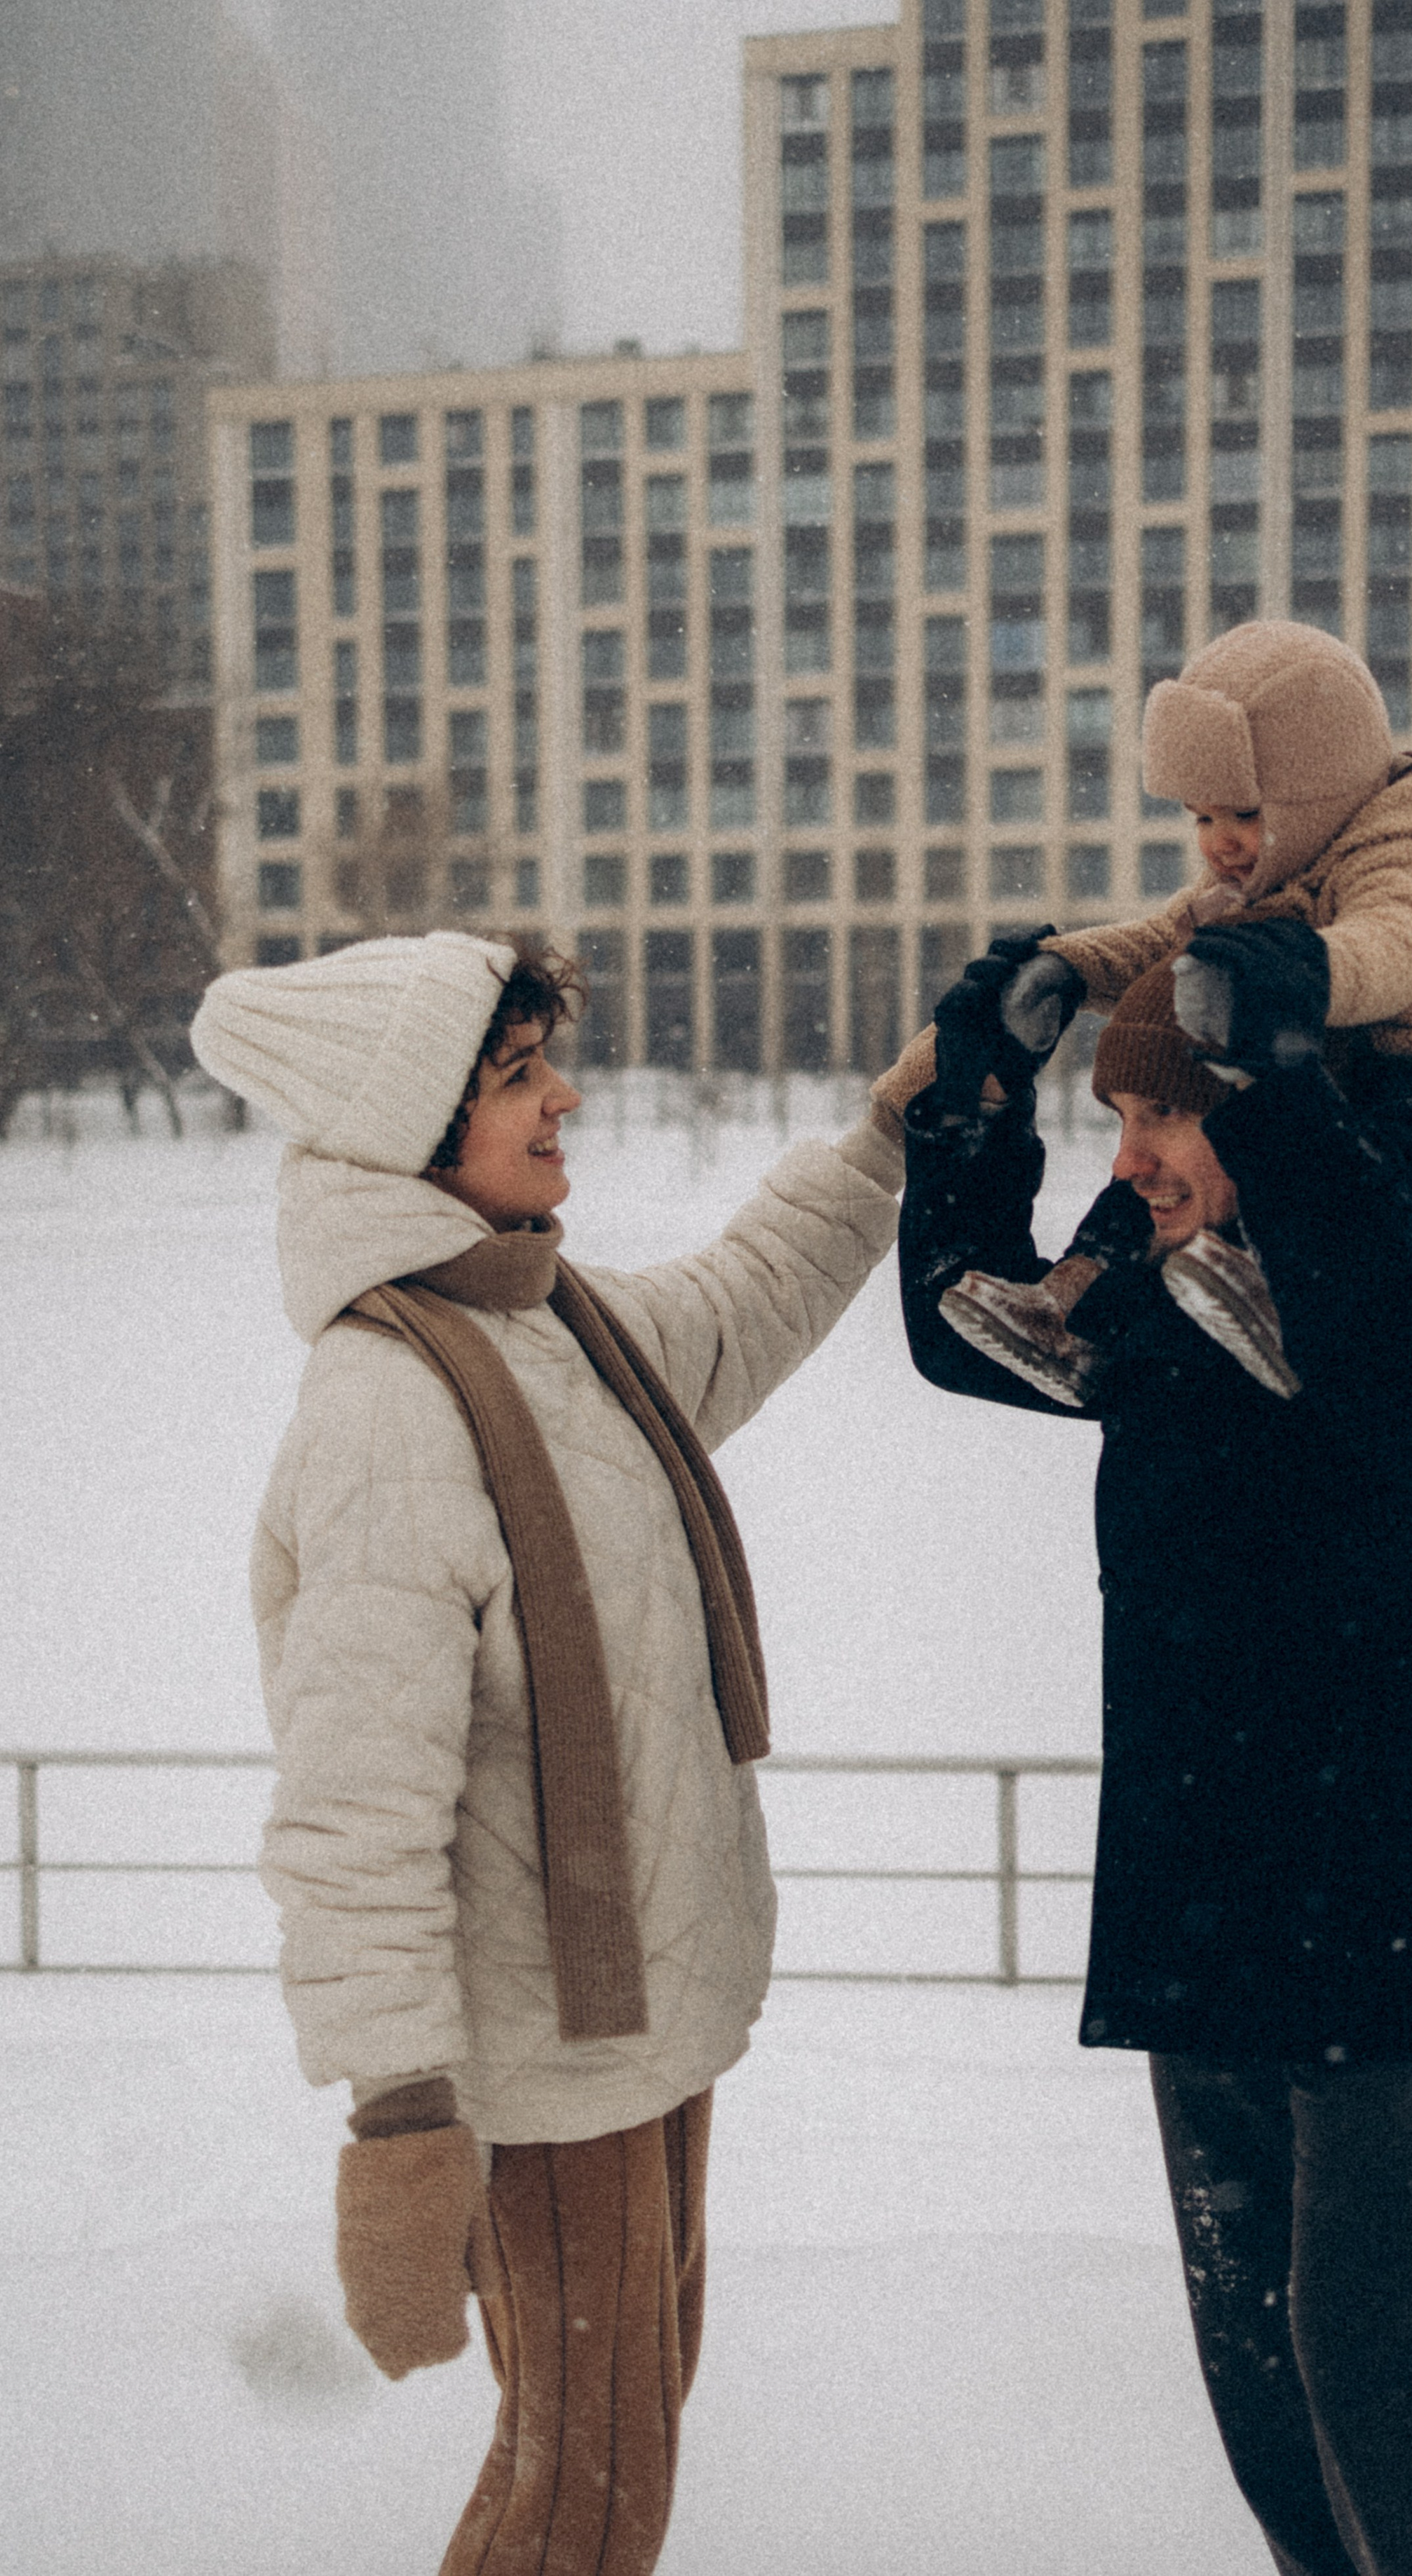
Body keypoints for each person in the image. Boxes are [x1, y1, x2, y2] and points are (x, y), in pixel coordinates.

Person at [189, 929, 904, 2576]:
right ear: (411, 1126)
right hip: (539, 2052)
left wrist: (889, 1131)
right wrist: (400, 2119)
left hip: (641, 2025)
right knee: (580, 2498)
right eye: (515, 1075)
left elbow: (741, 1300)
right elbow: (353, 1810)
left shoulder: (546, 1326)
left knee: (599, 2459)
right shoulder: (389, 1403)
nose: (563, 1094)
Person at [897, 937, 1412, 2576]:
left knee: (1372, 2377)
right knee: (1259, 2385)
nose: (1125, 1161)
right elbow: (958, 1335)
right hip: (1205, 1906)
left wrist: (1267, 1097)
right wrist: (977, 1094)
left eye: (1159, 1118)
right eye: (1111, 1118)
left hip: (1398, 1911)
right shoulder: (1159, 1298)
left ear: (1269, 1107)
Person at [905, 619, 1412, 1403]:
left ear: (1317, 793)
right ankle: (1069, 1313)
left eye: (1244, 813)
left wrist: (1303, 975)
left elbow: (1393, 946)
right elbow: (1166, 941)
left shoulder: (1410, 852)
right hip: (1326, 1098)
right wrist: (1069, 970)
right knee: (1146, 1193)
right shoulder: (1265, 883)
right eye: (1201, 817)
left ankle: (1292, 1297)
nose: (1220, 842)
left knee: (1386, 1163)